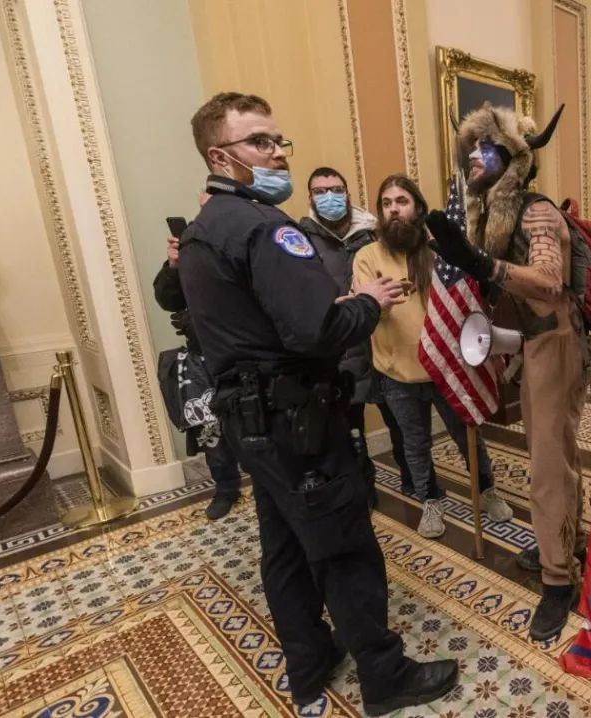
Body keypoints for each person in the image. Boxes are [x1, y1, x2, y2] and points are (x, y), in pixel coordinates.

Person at [177, 91, 457, 714]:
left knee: (282, 547)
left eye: (278, 141)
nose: (276, 152)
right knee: (345, 548)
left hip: (252, 424)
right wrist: (369, 304)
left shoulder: (200, 233)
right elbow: (317, 330)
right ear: (220, 155)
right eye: (259, 142)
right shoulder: (263, 228)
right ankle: (386, 677)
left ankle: (309, 664)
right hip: (297, 422)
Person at [426, 102, 591, 642]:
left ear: (514, 159)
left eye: (485, 147)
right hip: (535, 342)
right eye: (470, 147)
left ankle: (557, 578)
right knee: (556, 456)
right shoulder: (495, 213)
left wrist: (480, 264)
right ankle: (569, 542)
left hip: (557, 342)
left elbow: (548, 281)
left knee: (547, 466)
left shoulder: (538, 212)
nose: (473, 155)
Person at [353, 174, 513, 538]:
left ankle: (487, 490)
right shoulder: (366, 256)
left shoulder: (441, 252)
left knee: (467, 434)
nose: (394, 209)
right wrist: (377, 300)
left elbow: (469, 297)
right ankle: (429, 500)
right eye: (387, 203)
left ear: (418, 208)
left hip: (447, 367)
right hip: (397, 375)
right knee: (415, 443)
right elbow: (363, 314)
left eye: (402, 201)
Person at [297, 168, 420, 506]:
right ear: (310, 198)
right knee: (352, 431)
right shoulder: (301, 238)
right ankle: (363, 489)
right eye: (320, 191)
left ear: (348, 193)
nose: (329, 197)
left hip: (381, 345)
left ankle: (413, 480)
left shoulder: (371, 234)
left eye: (335, 189)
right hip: (340, 352)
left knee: (399, 423)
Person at [153, 201, 242, 520]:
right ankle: (226, 488)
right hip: (204, 359)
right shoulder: (193, 246)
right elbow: (167, 299)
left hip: (242, 355)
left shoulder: (239, 241)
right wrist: (173, 265)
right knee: (210, 429)